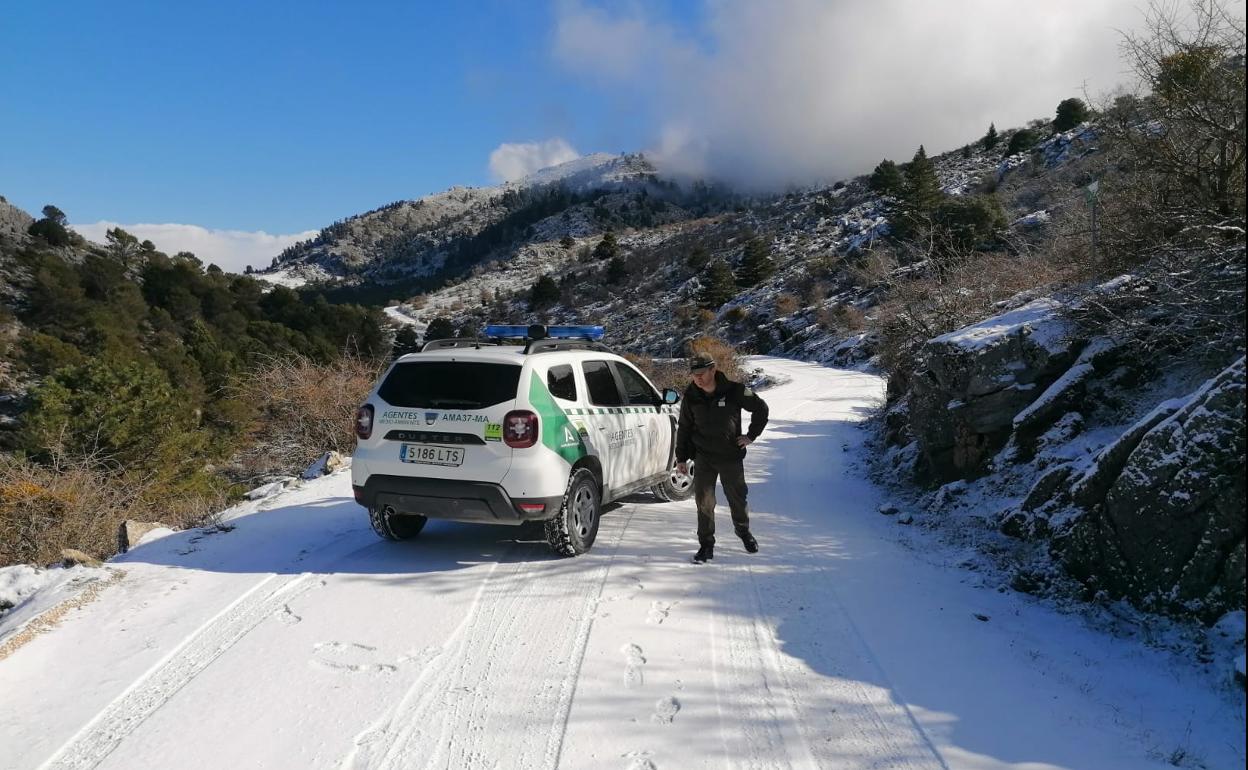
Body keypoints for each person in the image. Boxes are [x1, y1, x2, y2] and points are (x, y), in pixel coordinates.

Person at [675, 353, 769, 564]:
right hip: (704, 457)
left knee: (737, 498)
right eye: (694, 375)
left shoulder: (734, 390)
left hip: (730, 456)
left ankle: (743, 532)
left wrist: (751, 436)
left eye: (701, 373)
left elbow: (761, 409)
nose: (697, 379)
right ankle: (706, 545)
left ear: (713, 369)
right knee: (704, 503)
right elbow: (684, 427)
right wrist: (681, 457)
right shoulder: (691, 396)